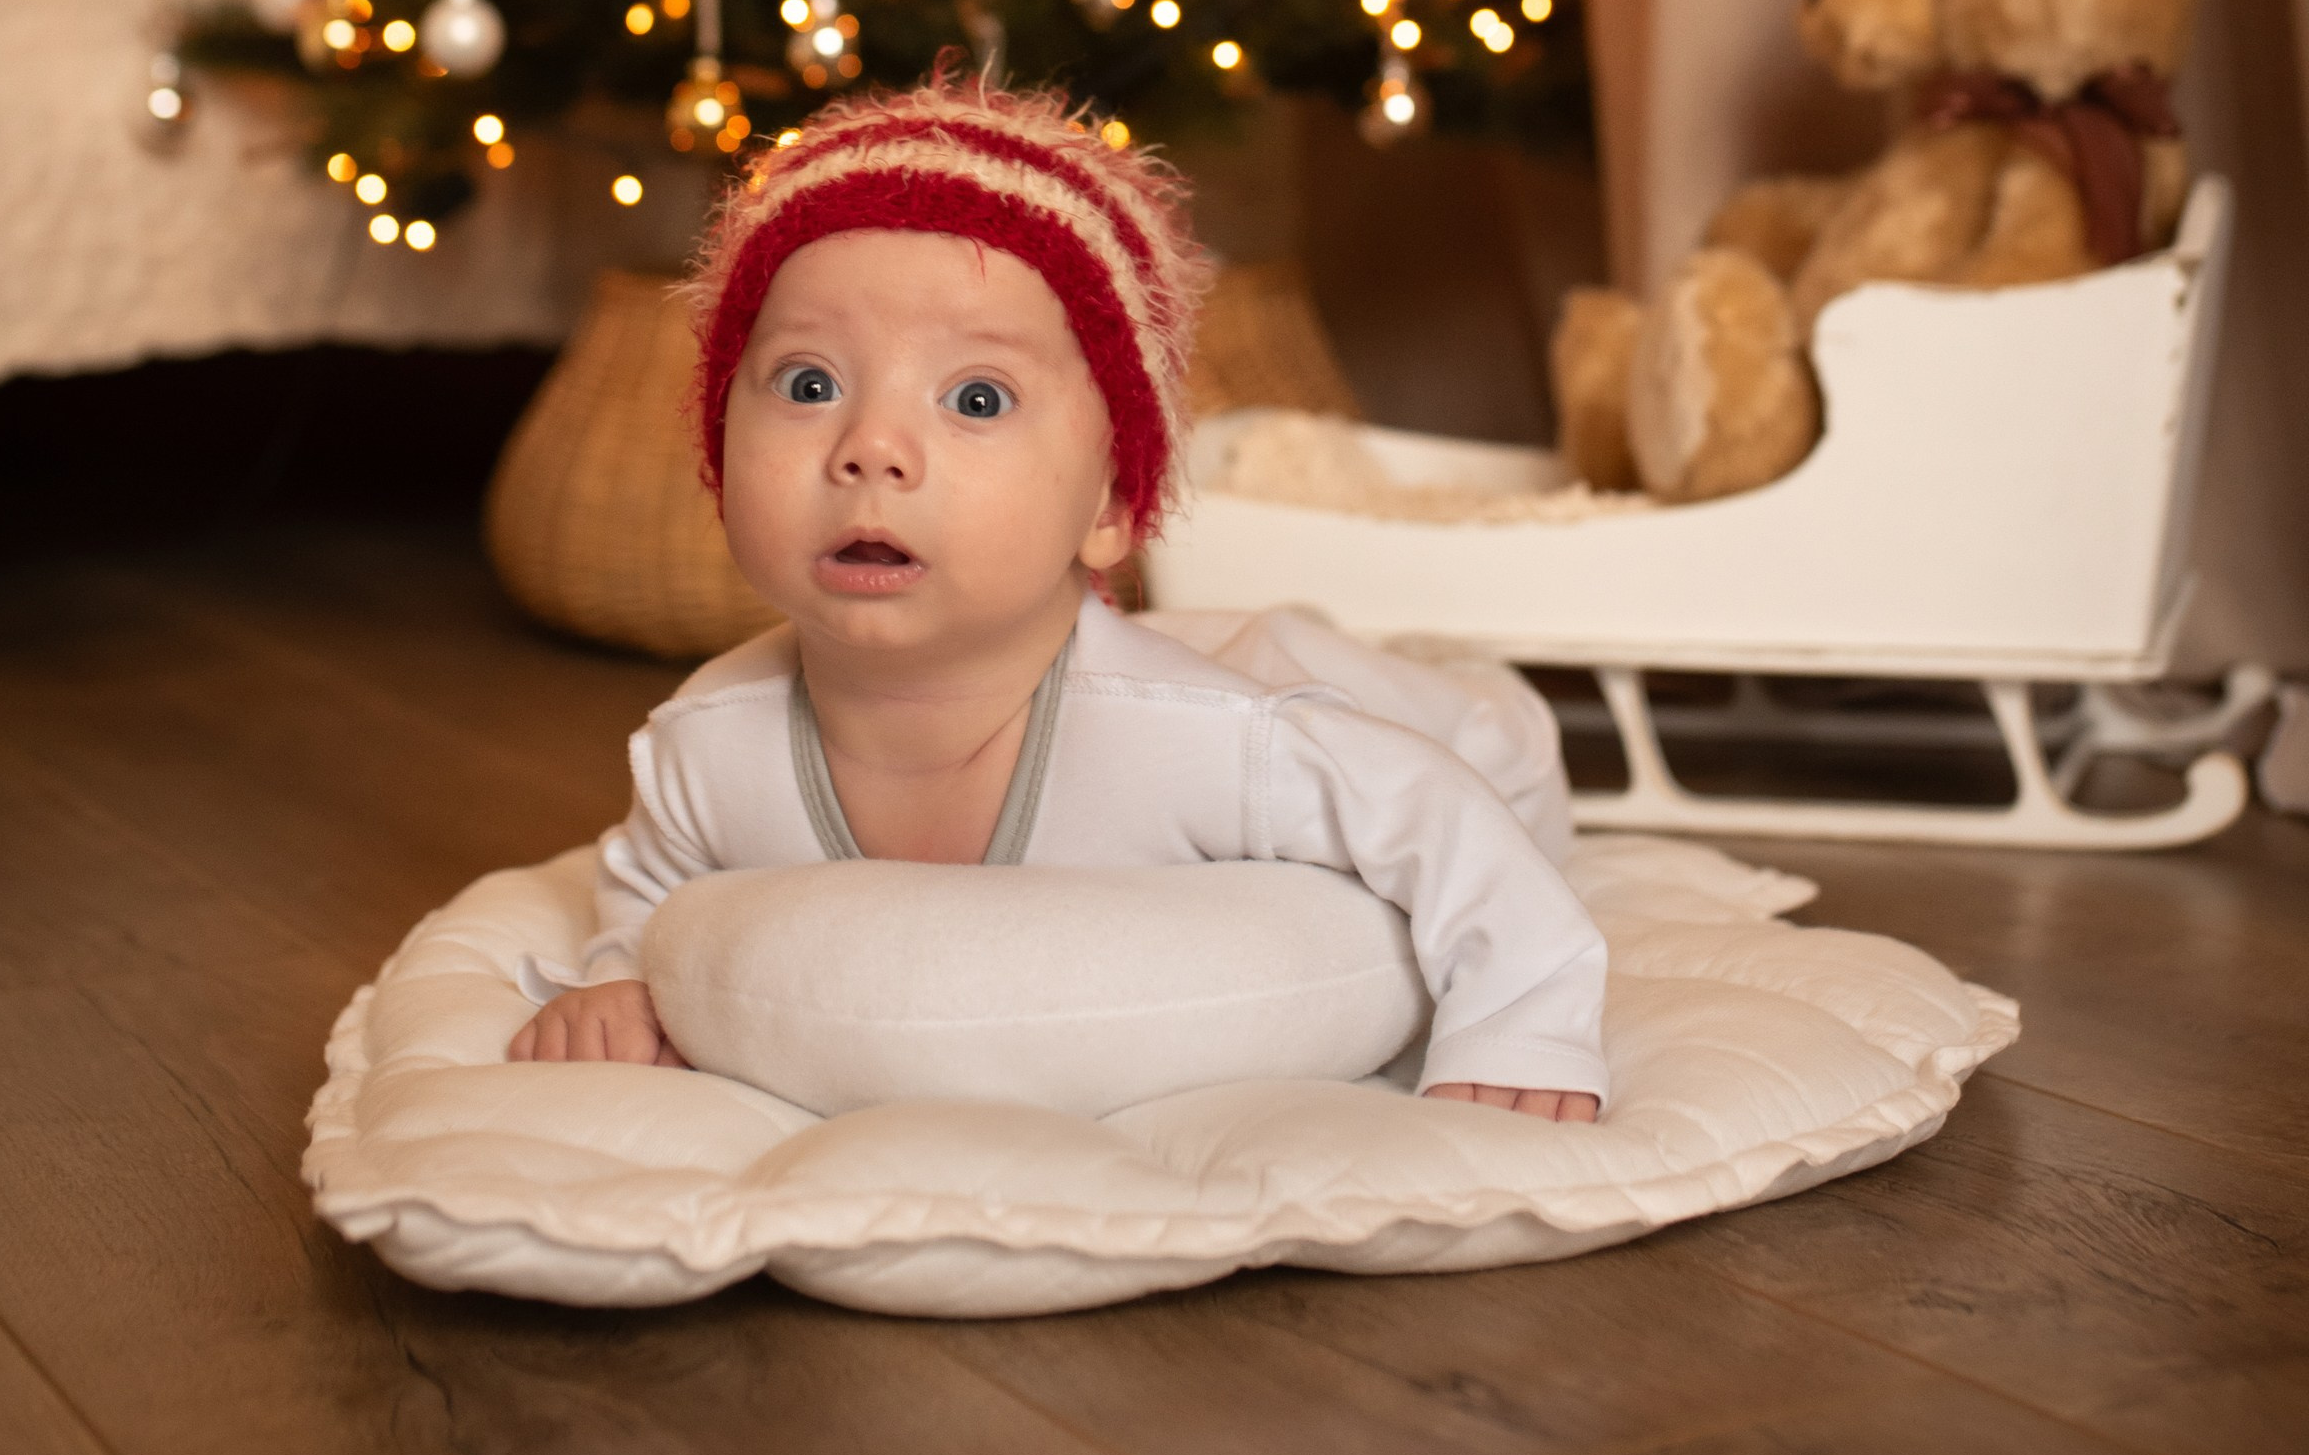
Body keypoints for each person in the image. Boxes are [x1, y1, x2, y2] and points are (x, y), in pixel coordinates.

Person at [511, 75, 1607, 1118]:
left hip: (1415, 717)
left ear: (1112, 505)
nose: (871, 446)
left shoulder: (1203, 740)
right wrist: (617, 974)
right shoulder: (708, 739)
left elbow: (1439, 814)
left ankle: (1462, 686)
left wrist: (1522, 1028)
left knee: (1323, 678)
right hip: (1172, 651)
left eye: (976, 399)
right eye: (809, 383)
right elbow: (653, 882)